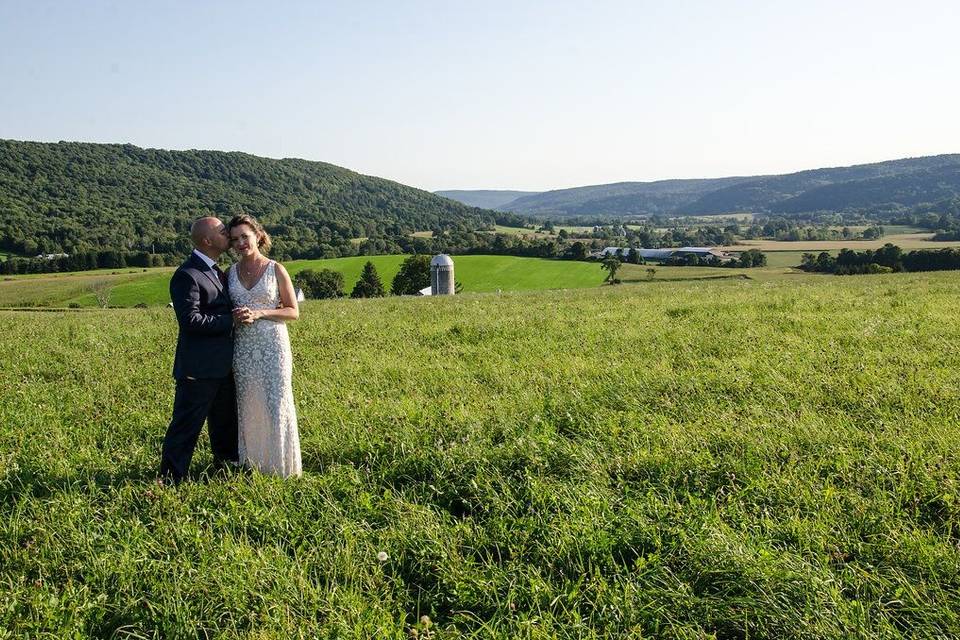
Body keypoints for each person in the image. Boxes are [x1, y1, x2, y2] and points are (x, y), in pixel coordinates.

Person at [160, 217, 239, 482]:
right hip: (198, 368)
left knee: (225, 424)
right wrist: (232, 320)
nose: (227, 233)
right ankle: (172, 479)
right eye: (221, 231)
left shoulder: (218, 271)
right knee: (186, 427)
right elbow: (190, 321)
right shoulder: (187, 275)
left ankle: (226, 471)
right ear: (207, 240)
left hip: (223, 365)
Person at [227, 214, 302, 478]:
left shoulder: (276, 269)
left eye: (244, 237)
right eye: (234, 239)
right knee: (249, 403)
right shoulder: (229, 273)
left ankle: (282, 468)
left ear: (258, 236)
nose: (240, 243)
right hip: (243, 348)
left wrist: (260, 313)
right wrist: (235, 318)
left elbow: (293, 312)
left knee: (275, 402)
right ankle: (253, 466)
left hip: (273, 347)